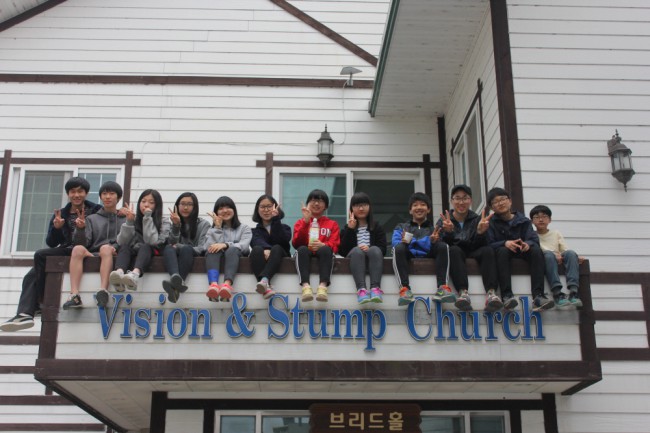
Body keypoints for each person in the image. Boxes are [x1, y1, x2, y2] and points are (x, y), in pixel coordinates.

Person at [1, 177, 101, 330]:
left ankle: (40, 301)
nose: (76, 195)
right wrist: (57, 228)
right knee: (31, 275)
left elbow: (109, 218)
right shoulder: (61, 214)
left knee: (40, 256)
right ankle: (25, 313)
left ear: (86, 193)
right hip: (68, 249)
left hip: (88, 249)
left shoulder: (96, 210)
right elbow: (52, 243)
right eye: (73, 192)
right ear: (68, 194)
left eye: (80, 191)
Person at [486, 187, 554, 312]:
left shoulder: (524, 221)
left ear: (510, 201)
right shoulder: (490, 223)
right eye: (495, 202)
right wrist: (505, 243)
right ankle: (507, 296)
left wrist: (527, 244)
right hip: (503, 255)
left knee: (535, 250)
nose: (500, 203)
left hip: (522, 252)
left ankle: (538, 296)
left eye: (503, 199)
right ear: (492, 207)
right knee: (502, 251)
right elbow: (488, 244)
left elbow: (534, 239)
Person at [435, 185, 498, 311]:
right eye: (457, 198)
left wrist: (480, 232)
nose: (461, 202)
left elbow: (483, 243)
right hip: (457, 253)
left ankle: (491, 293)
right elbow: (441, 246)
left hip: (474, 250)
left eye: (465, 198)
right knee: (454, 250)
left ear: (470, 200)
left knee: (488, 250)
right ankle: (463, 293)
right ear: (452, 201)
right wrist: (449, 232)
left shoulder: (478, 219)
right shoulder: (444, 221)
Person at [64, 181, 126, 309]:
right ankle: (74, 295)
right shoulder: (91, 218)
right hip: (94, 253)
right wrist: (80, 229)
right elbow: (83, 243)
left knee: (105, 248)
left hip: (112, 253)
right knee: (77, 249)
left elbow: (129, 239)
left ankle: (103, 290)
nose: (107, 197)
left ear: (119, 197)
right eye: (104, 194)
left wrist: (116, 247)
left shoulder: (125, 218)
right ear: (101, 197)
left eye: (111, 194)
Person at [392, 192, 451, 306]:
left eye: (423, 204)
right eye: (415, 205)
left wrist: (413, 241)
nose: (419, 207)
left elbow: (439, 247)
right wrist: (427, 241)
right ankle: (404, 289)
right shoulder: (401, 227)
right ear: (410, 210)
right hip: (408, 255)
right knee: (399, 248)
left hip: (428, 255)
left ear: (428, 209)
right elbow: (395, 243)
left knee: (443, 246)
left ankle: (442, 287)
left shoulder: (435, 229)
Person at [109, 189, 170, 294]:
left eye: (151, 202)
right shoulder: (134, 218)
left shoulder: (164, 221)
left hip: (152, 251)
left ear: (157, 205)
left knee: (145, 246)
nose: (146, 205)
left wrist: (147, 217)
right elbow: (122, 241)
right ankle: (119, 273)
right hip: (135, 250)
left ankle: (135, 274)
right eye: (143, 201)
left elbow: (151, 241)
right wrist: (129, 222)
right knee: (124, 247)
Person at [530, 204, 583, 308]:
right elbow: (538, 250)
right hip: (548, 258)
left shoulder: (556, 233)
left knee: (571, 253)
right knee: (548, 255)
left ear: (550, 220)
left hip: (558, 256)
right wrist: (554, 254)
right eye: (537, 217)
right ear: (532, 221)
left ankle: (574, 292)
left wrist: (575, 257)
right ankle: (557, 293)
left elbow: (564, 249)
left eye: (544, 216)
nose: (541, 220)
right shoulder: (531, 235)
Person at [292, 189, 340, 303]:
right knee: (302, 249)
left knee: (326, 249)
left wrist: (323, 244)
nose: (317, 204)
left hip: (324, 254)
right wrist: (306, 222)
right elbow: (296, 243)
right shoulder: (300, 222)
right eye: (313, 200)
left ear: (326, 206)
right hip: (305, 253)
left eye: (321, 201)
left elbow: (336, 245)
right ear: (308, 203)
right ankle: (305, 286)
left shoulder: (332, 224)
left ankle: (323, 286)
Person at [162, 192, 210, 303]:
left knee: (187, 249)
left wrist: (179, 246)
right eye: (182, 204)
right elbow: (171, 243)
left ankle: (175, 285)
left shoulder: (204, 224)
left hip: (191, 254)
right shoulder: (172, 223)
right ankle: (176, 278)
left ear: (195, 207)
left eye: (189, 204)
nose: (185, 207)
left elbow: (202, 247)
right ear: (177, 205)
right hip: (176, 256)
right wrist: (176, 225)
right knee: (168, 247)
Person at [339, 192, 386, 304]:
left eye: (364, 205)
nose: (361, 208)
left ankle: (375, 289)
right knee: (357, 250)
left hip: (372, 257)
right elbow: (343, 251)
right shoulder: (347, 228)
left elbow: (383, 249)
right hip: (355, 257)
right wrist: (350, 229)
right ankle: (361, 290)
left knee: (375, 249)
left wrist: (369, 248)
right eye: (356, 205)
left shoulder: (377, 226)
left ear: (369, 207)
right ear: (351, 209)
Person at [204, 196, 251, 302]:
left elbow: (244, 246)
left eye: (228, 207)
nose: (225, 211)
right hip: (217, 261)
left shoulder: (244, 228)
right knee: (212, 250)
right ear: (216, 212)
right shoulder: (212, 230)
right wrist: (217, 228)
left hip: (236, 259)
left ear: (234, 209)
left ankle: (227, 285)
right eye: (221, 208)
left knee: (232, 249)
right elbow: (208, 248)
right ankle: (213, 285)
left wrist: (226, 245)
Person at [249, 194, 291, 299]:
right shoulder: (253, 231)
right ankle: (266, 287)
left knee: (276, 248)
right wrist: (265, 249)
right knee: (256, 249)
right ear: (257, 210)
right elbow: (255, 241)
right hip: (263, 258)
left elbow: (282, 241)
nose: (266, 210)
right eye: (262, 207)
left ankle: (264, 280)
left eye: (269, 206)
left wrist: (276, 219)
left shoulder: (285, 228)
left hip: (281, 256)